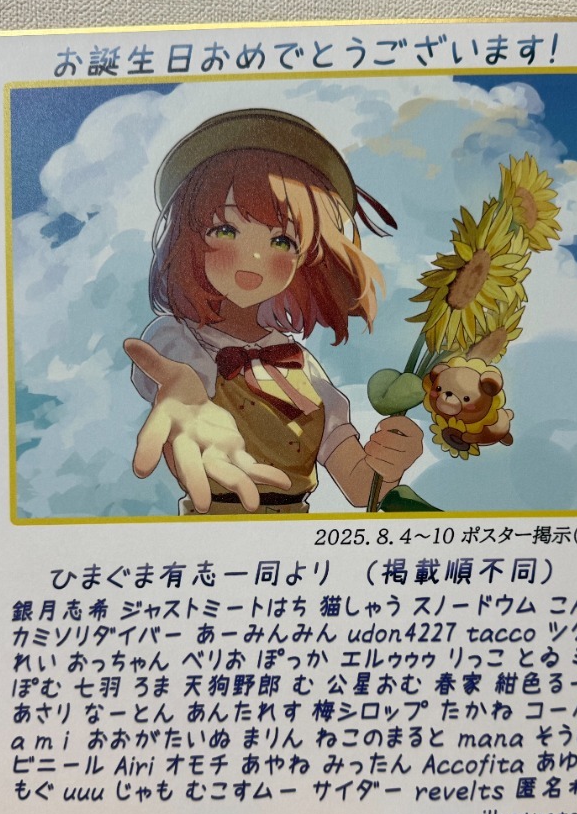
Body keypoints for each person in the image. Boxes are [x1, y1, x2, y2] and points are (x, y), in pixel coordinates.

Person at [127, 108, 422, 515]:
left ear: (307, 259)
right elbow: (172, 381)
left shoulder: (301, 364)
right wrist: (184, 401)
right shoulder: (176, 338)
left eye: (282, 241)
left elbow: (359, 487)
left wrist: (390, 462)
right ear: (189, 240)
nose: (253, 257)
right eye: (226, 230)